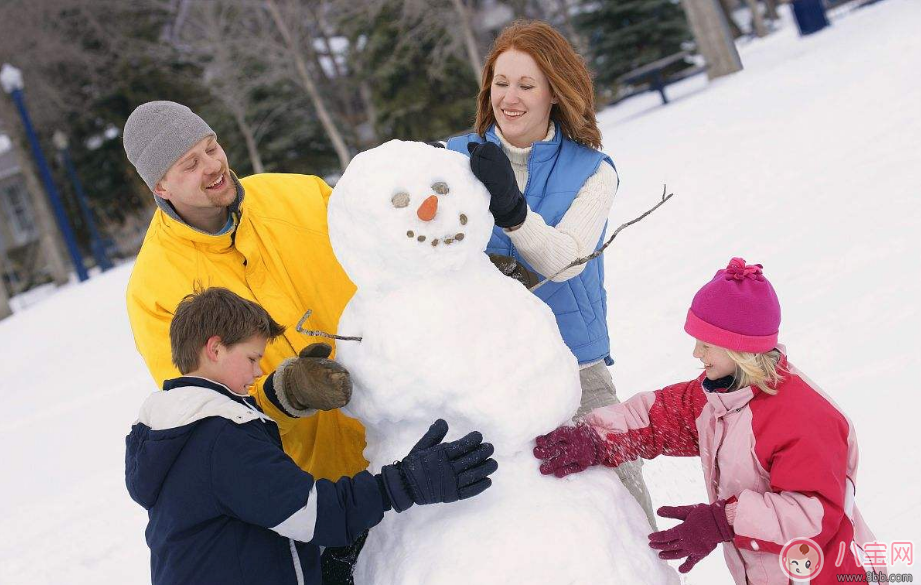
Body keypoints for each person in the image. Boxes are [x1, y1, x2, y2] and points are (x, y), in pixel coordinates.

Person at [122, 100, 368, 579]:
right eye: (190, 163)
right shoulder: (155, 289)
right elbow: (204, 414)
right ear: (160, 186)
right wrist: (283, 395)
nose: (213, 166)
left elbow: (395, 252)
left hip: (403, 435)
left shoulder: (300, 196)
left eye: (211, 147)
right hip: (311, 498)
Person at [533, 258, 878, 584]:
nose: (696, 354)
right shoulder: (721, 397)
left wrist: (721, 522)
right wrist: (596, 438)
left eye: (706, 344)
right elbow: (658, 419)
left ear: (740, 347)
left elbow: (811, 517)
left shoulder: (802, 419)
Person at [125, 287, 497, 585]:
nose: (258, 373)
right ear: (215, 348)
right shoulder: (219, 437)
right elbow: (312, 514)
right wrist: (406, 483)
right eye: (253, 358)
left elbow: (245, 529)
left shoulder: (172, 429)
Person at [445, 20, 655, 527]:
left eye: (526, 85)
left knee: (625, 500)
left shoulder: (594, 171)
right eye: (500, 82)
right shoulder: (453, 161)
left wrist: (513, 212)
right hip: (487, 366)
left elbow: (565, 262)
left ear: (554, 94)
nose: (508, 98)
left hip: (576, 364)